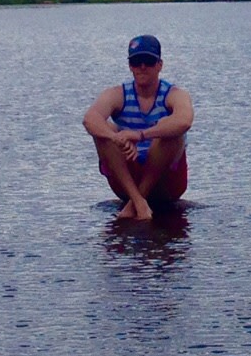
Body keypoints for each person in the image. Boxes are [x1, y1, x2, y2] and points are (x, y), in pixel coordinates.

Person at [83, 33, 193, 221]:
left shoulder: (174, 94)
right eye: (136, 62)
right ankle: (137, 200)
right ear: (130, 66)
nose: (142, 67)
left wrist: (140, 135)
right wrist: (117, 138)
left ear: (159, 65)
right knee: (103, 130)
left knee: (170, 129)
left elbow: (185, 120)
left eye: (148, 61)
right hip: (128, 177)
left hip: (166, 180)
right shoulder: (118, 93)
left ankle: (134, 204)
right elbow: (90, 119)